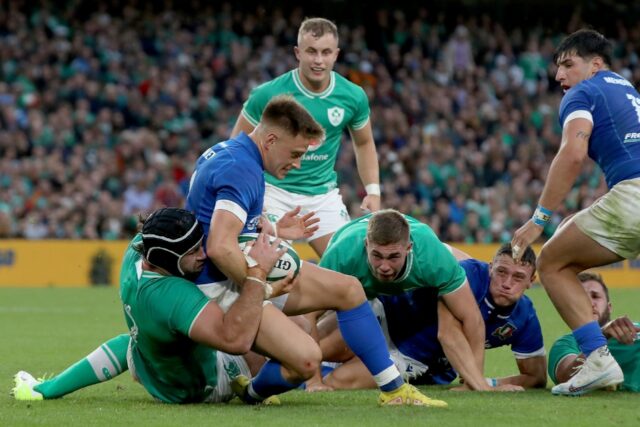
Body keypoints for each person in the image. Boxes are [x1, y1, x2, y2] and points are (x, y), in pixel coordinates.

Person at [185, 95, 443, 407]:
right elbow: (220, 247)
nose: (296, 164)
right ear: (270, 139)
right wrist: (261, 288)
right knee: (307, 361)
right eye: (295, 154)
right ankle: (252, 393)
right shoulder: (243, 170)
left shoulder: (228, 152)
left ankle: (394, 391)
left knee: (349, 289)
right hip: (223, 284)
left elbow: (214, 222)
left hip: (236, 273)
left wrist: (276, 231)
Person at [13, 207, 285, 403]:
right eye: (192, 252)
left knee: (132, 342)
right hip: (199, 386)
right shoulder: (172, 295)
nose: (204, 254)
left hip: (151, 368)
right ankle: (271, 387)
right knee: (284, 326)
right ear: (167, 258)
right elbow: (235, 339)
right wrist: (259, 277)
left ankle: (44, 390)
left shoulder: (136, 251)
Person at [511, 28, 640, 395]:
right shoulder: (626, 88)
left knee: (552, 261)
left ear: (595, 65)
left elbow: (572, 154)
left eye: (568, 64)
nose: (559, 76)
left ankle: (597, 360)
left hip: (633, 194)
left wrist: (539, 220)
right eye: (557, 68)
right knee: (571, 233)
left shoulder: (585, 91)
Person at [231, 17, 380, 256]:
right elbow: (236, 147)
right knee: (275, 267)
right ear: (297, 53)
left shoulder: (353, 96)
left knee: (351, 268)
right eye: (311, 51)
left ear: (336, 55)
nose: (318, 60)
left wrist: (373, 191)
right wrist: (248, 196)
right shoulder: (267, 94)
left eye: (325, 52)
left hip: (323, 197)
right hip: (272, 192)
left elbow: (364, 143)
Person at [315, 244, 546, 391]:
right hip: (386, 314)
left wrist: (493, 383)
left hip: (411, 357)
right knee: (315, 349)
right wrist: (481, 385)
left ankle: (312, 372)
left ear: (531, 280)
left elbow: (536, 377)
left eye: (518, 277)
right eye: (501, 272)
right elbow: (447, 333)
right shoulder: (467, 275)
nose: (507, 283)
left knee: (338, 382)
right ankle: (295, 360)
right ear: (490, 268)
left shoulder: (524, 317)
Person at [312, 209, 494, 390]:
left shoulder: (433, 257)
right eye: (377, 256)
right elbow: (310, 314)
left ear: (408, 248)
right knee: (312, 350)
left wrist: (475, 381)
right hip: (364, 303)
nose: (384, 266)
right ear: (366, 244)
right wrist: (314, 382)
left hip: (409, 341)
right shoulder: (341, 254)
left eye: (393, 257)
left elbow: (472, 318)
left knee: (341, 380)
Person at [548, 272, 640, 393]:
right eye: (581, 297)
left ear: (609, 307)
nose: (590, 303)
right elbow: (567, 378)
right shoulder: (566, 343)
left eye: (595, 296)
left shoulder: (634, 329)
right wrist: (602, 335)